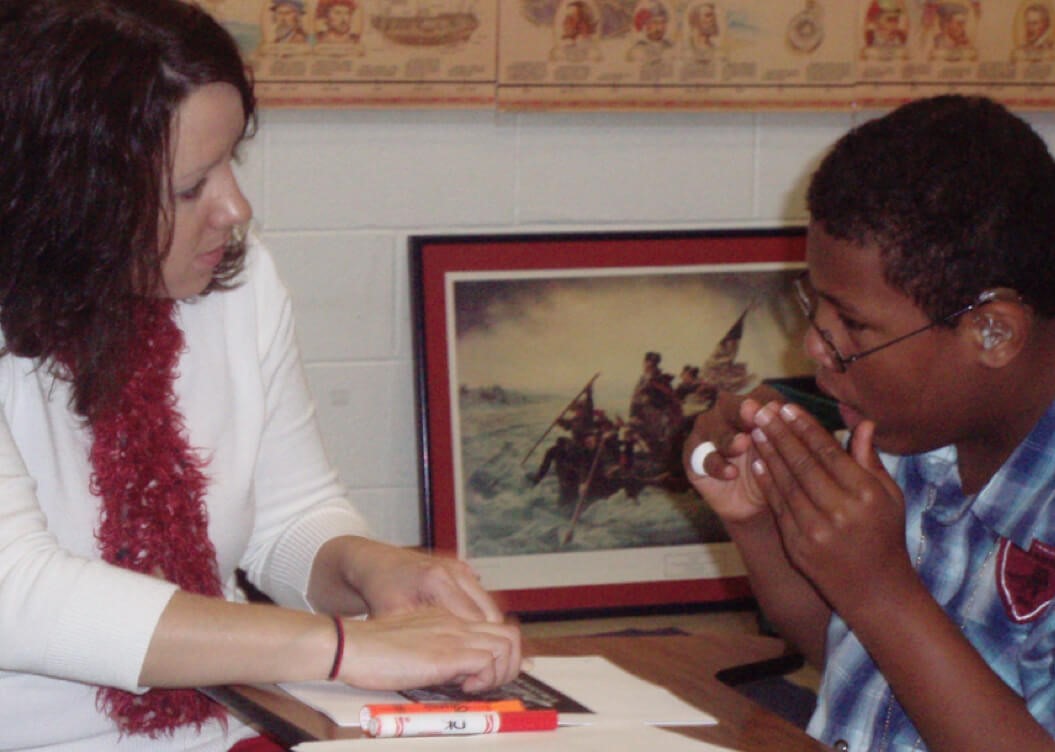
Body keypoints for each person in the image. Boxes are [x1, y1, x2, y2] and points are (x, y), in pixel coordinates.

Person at [0, 1, 521, 750]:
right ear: (65, 194)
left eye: (231, 162)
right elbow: (19, 595)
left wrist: (370, 570)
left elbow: (285, 518)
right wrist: (342, 647)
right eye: (190, 188)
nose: (235, 208)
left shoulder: (237, 288)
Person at [683, 95, 1055, 751]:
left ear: (992, 330)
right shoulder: (905, 439)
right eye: (813, 307)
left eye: (850, 325)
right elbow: (865, 665)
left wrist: (882, 590)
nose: (814, 350)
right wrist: (758, 523)